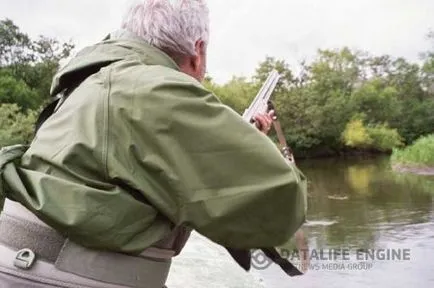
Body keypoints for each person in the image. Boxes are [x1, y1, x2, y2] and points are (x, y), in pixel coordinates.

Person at [0, 0, 308, 287]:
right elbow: (282, 204)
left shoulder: (92, 81)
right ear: (197, 51)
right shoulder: (152, 91)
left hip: (26, 265)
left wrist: (246, 136)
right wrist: (257, 146)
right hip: (57, 277)